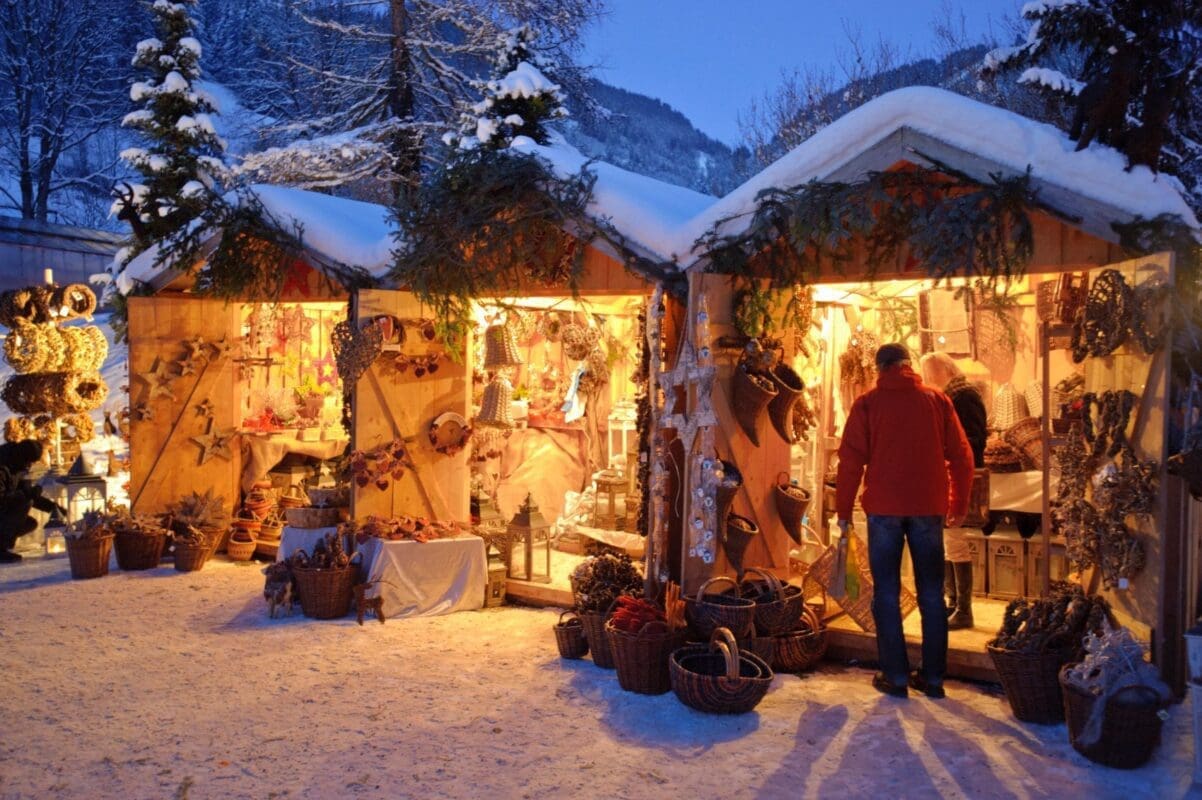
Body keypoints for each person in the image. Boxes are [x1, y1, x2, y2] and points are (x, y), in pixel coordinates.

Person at [835, 343, 974, 699]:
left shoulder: (867, 403)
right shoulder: (937, 401)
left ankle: (895, 677)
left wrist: (844, 513)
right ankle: (933, 678)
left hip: (883, 510)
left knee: (886, 593)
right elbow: (961, 455)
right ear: (909, 366)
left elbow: (850, 463)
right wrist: (960, 501)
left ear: (879, 369)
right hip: (929, 508)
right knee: (932, 592)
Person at [919, 352, 987, 630]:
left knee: (955, 539)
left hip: (959, 473)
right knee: (949, 539)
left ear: (944, 371)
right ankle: (953, 602)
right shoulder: (951, 396)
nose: (928, 381)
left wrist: (943, 448)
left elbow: (973, 439)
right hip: (948, 472)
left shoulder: (963, 396)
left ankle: (963, 609)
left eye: (930, 375)